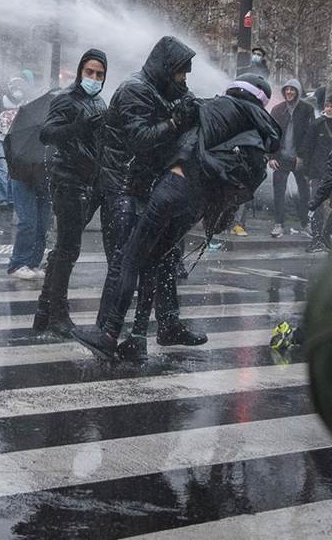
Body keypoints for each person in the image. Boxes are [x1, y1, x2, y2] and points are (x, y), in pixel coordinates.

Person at [75, 75, 280, 359]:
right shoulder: (259, 128)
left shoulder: (213, 108)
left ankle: (110, 334)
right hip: (197, 205)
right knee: (157, 260)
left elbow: (176, 140)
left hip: (173, 187)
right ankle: (143, 336)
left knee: (133, 258)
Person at [79, 36, 206, 359]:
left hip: (146, 185)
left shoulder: (163, 89)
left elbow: (183, 111)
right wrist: (177, 120)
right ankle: (105, 331)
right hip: (122, 186)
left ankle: (161, 326)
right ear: (167, 69)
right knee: (125, 259)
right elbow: (140, 139)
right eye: (180, 73)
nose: (184, 80)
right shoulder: (136, 89)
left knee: (160, 257)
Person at [33, 49, 108, 335]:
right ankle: (57, 314)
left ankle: (45, 309)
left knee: (64, 249)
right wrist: (77, 127)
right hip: (67, 178)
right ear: (80, 71)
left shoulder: (99, 101)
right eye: (89, 72)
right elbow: (47, 133)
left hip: (88, 179)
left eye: (99, 74)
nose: (94, 77)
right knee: (68, 249)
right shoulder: (66, 98)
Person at [4, 90, 53, 280]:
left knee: (42, 223)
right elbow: (11, 150)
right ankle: (18, 263)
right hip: (23, 178)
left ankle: (33, 262)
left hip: (43, 181)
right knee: (28, 222)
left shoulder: (52, 130)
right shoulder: (27, 131)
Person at [269, 79, 312, 238]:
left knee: (304, 192)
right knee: (279, 192)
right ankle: (278, 224)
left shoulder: (307, 109)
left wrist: (302, 156)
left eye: (292, 90)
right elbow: (271, 134)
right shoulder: (277, 110)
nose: (289, 92)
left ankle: (305, 224)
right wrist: (271, 156)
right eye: (286, 89)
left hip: (299, 159)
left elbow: (310, 136)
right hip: (281, 158)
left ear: (298, 92)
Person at [0, 77, 26, 211]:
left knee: (12, 171)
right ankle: (2, 200)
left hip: (15, 141)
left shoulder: (24, 103)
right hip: (0, 139)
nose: (18, 92)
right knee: (2, 169)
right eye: (16, 89)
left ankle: (10, 199)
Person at [304, 98, 332, 252]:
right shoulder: (317, 124)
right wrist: (307, 172)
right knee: (318, 205)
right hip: (318, 171)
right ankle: (316, 238)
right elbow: (308, 148)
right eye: (327, 106)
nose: (329, 109)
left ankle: (326, 235)